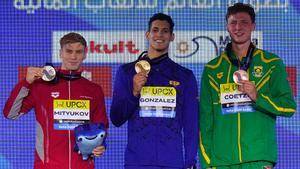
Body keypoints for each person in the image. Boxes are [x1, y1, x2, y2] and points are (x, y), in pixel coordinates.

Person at [199, 2, 296, 169]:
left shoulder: (271, 63)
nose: (238, 27)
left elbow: (288, 107)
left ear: (253, 26)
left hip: (258, 158)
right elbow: (205, 121)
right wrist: (207, 162)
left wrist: (258, 96)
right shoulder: (212, 69)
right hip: (221, 161)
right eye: (233, 22)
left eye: (244, 22)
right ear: (227, 27)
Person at [3, 32, 109, 169]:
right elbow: (10, 113)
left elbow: (101, 128)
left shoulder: (94, 90)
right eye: (69, 51)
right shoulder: (41, 86)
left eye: (78, 52)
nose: (73, 56)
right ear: (60, 53)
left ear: (85, 54)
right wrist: (26, 82)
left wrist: (100, 146)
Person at [110, 13, 199, 169]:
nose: (159, 34)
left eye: (165, 31)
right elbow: (116, 119)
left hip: (173, 162)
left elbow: (191, 124)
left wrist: (190, 161)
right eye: (155, 30)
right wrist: (134, 93)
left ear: (172, 36)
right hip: (137, 162)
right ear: (147, 34)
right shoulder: (127, 72)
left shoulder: (185, 76)